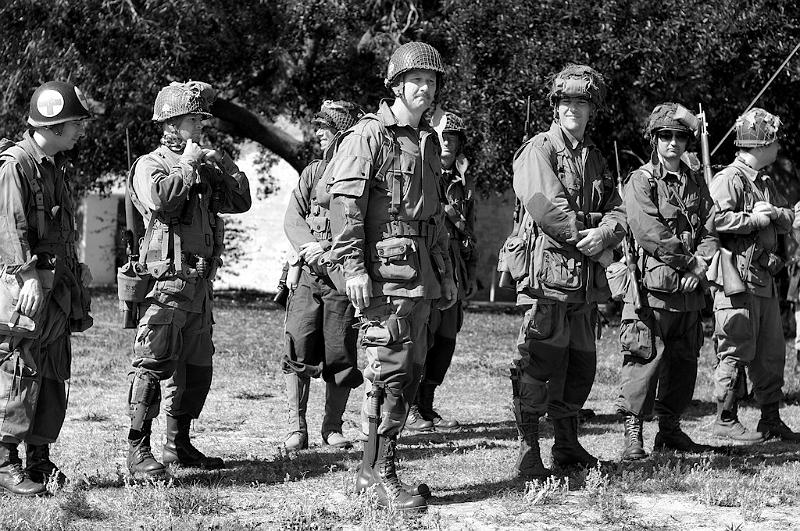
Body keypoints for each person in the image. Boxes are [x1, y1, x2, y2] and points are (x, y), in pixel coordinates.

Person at [326, 41, 457, 511]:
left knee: (409, 371)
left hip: (419, 275)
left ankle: (376, 469)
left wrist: (445, 274)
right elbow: (346, 207)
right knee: (390, 370)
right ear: (396, 85)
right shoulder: (370, 135)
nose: (425, 87)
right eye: (415, 80)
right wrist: (354, 268)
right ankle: (378, 472)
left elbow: (434, 217)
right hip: (385, 275)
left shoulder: (427, 139)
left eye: (432, 80)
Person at [125, 81, 252, 477]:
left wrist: (222, 163)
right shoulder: (152, 165)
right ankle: (137, 449)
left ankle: (177, 444)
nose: (200, 126)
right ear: (171, 123)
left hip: (199, 286)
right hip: (166, 286)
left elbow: (241, 201)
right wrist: (189, 164)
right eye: (193, 119)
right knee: (152, 363)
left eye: (201, 119)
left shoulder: (202, 165)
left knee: (197, 369)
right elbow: (162, 199)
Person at [509, 64, 626, 479]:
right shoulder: (538, 150)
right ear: (555, 107)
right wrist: (591, 238)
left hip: (584, 285)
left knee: (579, 366)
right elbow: (547, 208)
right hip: (549, 280)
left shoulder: (594, 156)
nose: (573, 108)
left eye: (582, 101)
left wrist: (608, 232)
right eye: (566, 101)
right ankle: (528, 451)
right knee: (538, 362)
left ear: (592, 108)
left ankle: (567, 445)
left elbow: (619, 207)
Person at [0, 80, 94, 495]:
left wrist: (77, 270)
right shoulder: (15, 166)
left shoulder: (55, 167)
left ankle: (38, 459)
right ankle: (4, 462)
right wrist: (28, 277)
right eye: (75, 124)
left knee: (53, 369)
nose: (80, 131)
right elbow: (11, 228)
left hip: (57, 287)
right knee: (19, 368)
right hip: (28, 286)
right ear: (54, 126)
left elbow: (58, 230)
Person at [615, 103, 718, 460]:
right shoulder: (640, 180)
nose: (673, 143)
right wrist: (689, 264)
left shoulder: (695, 182)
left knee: (684, 362)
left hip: (689, 293)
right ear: (654, 140)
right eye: (665, 136)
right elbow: (649, 233)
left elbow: (709, 227)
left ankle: (670, 431)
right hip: (653, 290)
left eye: (680, 137)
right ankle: (634, 433)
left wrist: (701, 263)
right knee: (644, 360)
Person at [708, 107, 800, 442]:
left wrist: (773, 213)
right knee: (736, 345)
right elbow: (713, 221)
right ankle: (725, 417)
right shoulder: (729, 179)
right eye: (774, 141)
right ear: (760, 144)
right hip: (737, 277)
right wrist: (753, 220)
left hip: (762, 279)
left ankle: (770, 418)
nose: (779, 148)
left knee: (771, 351)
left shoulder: (764, 181)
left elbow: (788, 217)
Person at [281, 100, 364, 451]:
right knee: (297, 345)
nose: (317, 133)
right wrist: (307, 249)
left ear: (341, 133)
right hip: (308, 278)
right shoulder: (313, 171)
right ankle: (296, 428)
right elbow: (293, 218)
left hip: (342, 279)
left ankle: (332, 427)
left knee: (340, 354)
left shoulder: (362, 174)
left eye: (324, 127)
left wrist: (329, 254)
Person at [406, 110, 476, 431]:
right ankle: (410, 407)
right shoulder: (423, 171)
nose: (447, 142)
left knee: (447, 337)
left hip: (454, 269)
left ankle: (427, 404)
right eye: (442, 136)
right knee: (424, 335)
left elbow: (470, 232)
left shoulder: (463, 181)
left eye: (453, 137)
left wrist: (470, 274)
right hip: (427, 263)